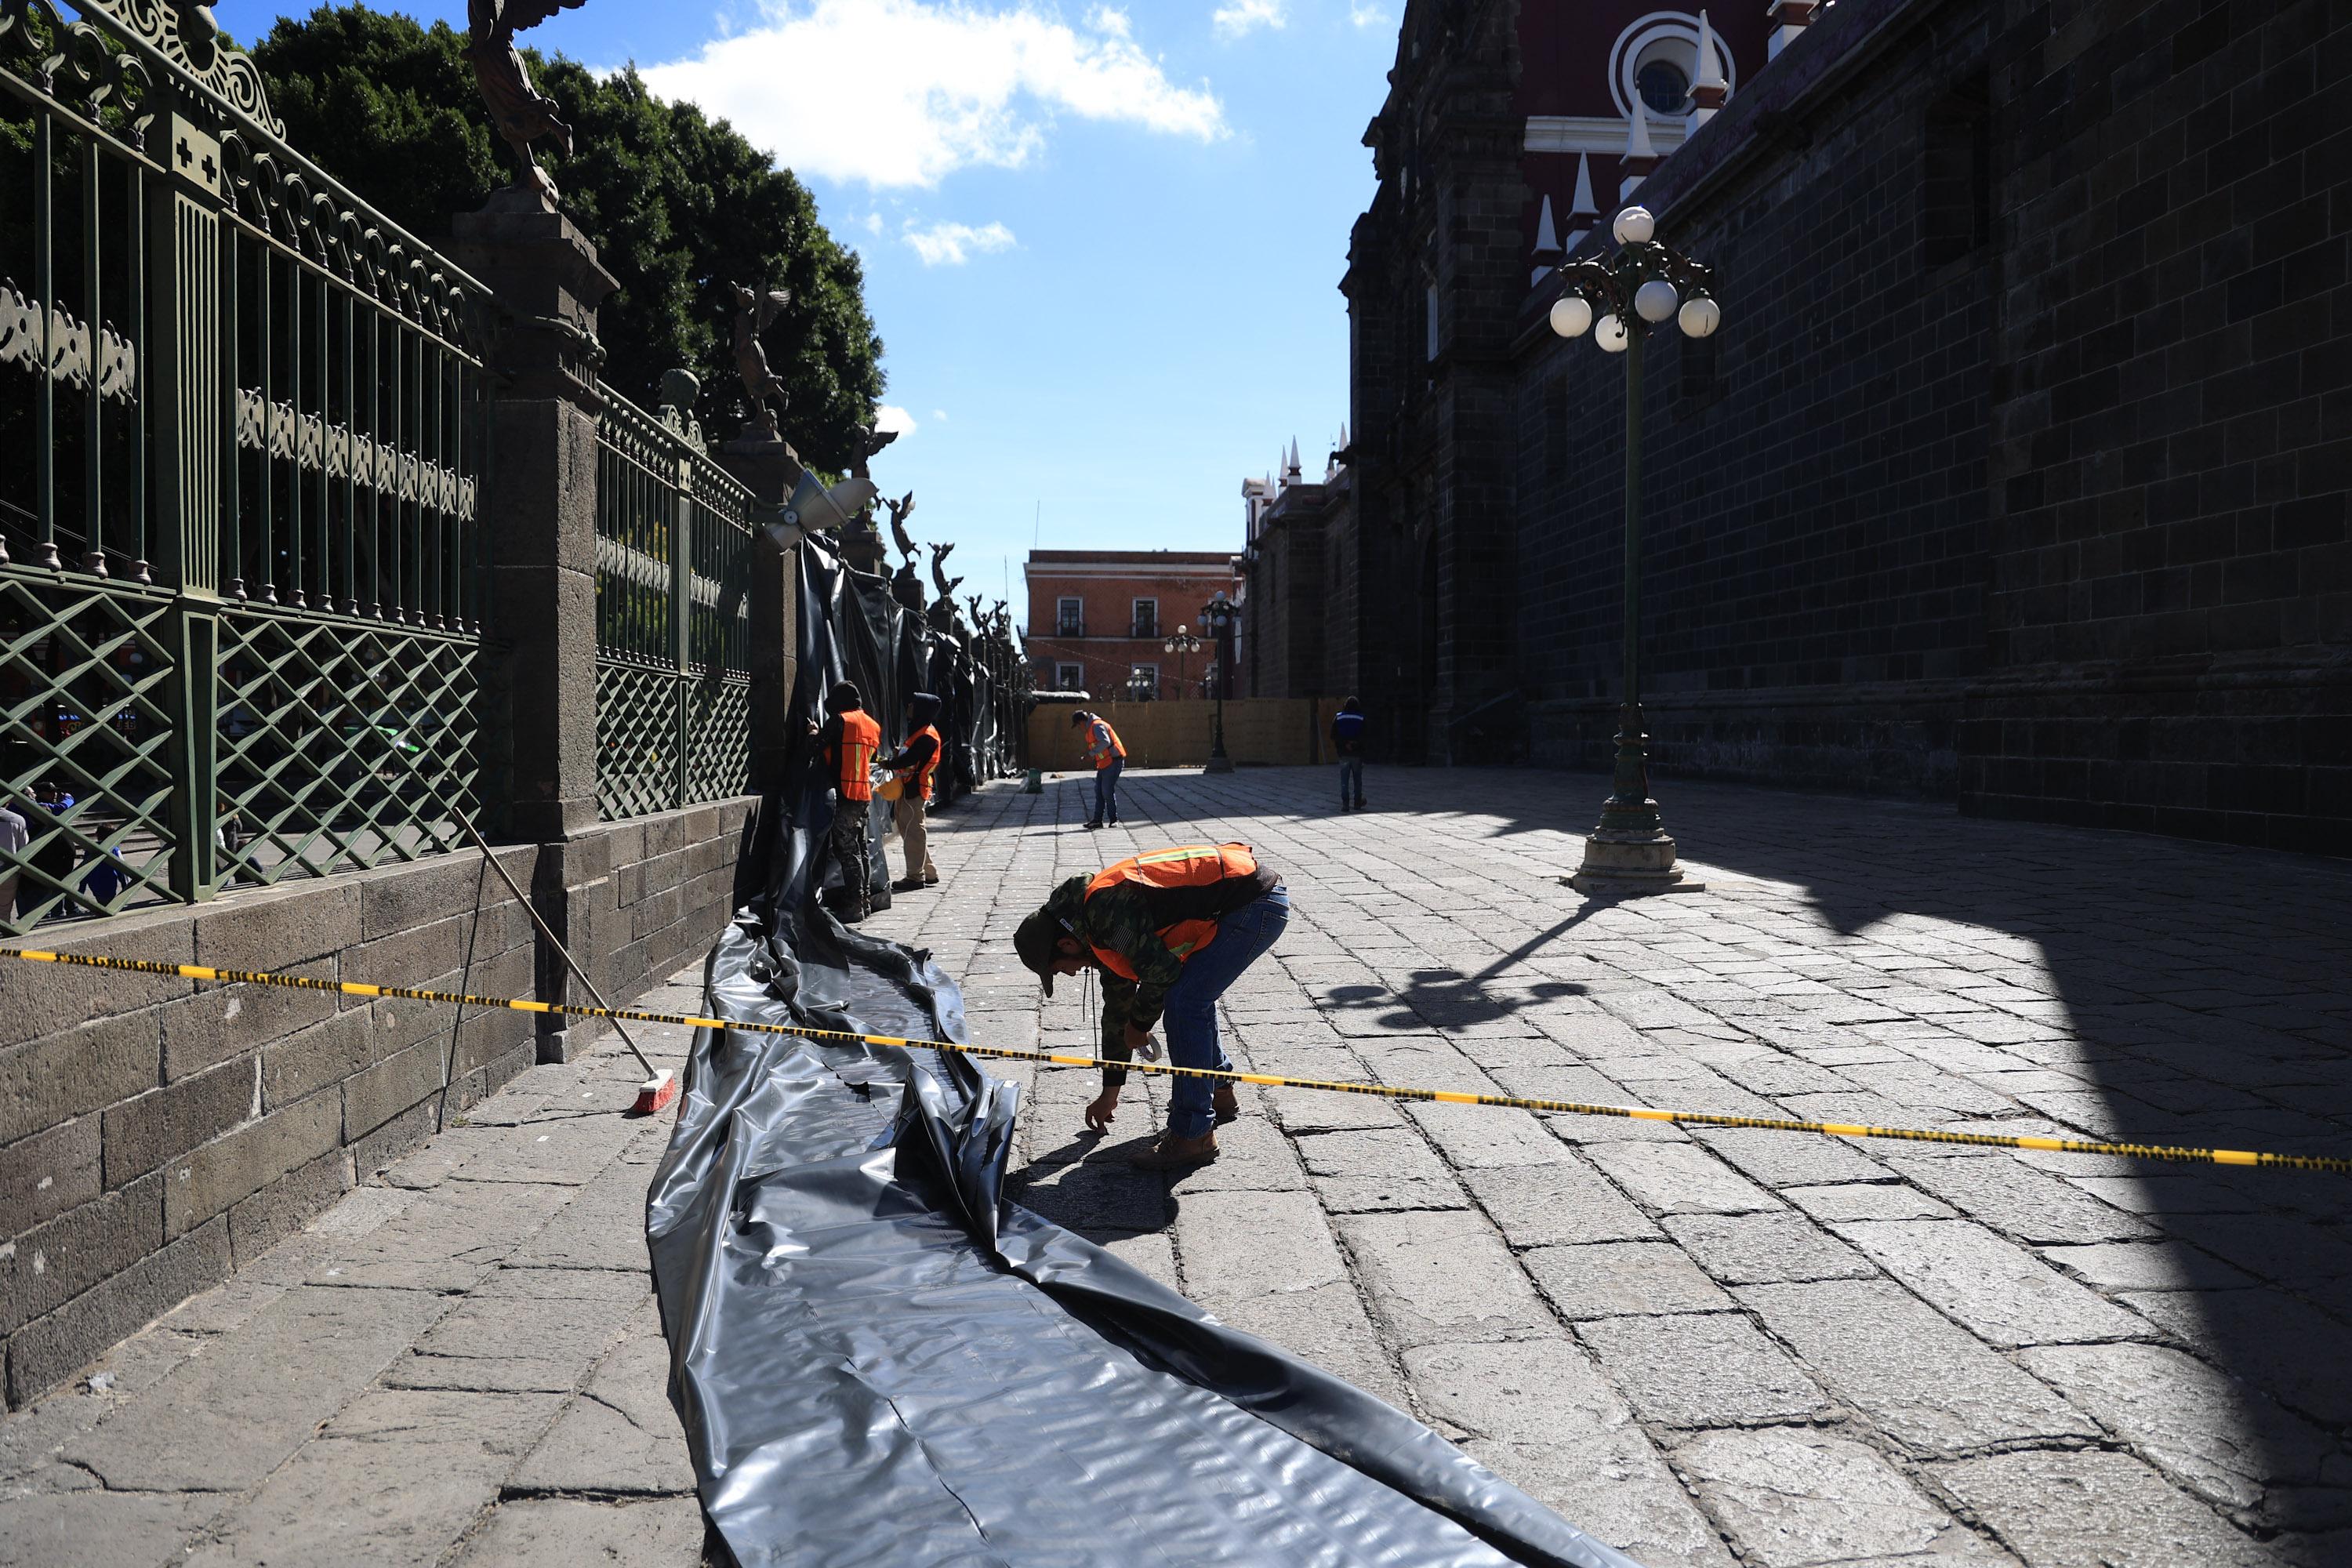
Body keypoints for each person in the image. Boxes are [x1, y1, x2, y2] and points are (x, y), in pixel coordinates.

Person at [1014, 842, 1288, 1169]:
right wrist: (1109, 1093)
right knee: (1192, 996)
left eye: (1062, 967)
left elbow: (1161, 973)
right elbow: (1118, 1008)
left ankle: (1193, 1135)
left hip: (1253, 904)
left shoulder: (1104, 916)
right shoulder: (1093, 921)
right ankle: (1218, 1090)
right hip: (1248, 897)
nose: (1073, 973)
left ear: (1067, 943)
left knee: (1185, 1002)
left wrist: (1140, 1026)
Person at [811, 681, 880, 922]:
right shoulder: (872, 725)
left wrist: (812, 733)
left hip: (845, 793)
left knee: (847, 850)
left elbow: (816, 747)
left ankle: (854, 905)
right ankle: (865, 900)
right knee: (860, 849)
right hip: (863, 794)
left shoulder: (841, 721)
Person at [880, 691, 942, 892]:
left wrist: (887, 763)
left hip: (914, 788)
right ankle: (929, 872)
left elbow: (910, 760)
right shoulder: (921, 731)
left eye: (912, 704)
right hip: (911, 787)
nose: (908, 708)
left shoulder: (926, 736)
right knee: (911, 830)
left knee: (914, 831)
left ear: (921, 709)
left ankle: (915, 877)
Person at [1073, 708, 1125, 829]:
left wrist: (1091, 754)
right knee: (1099, 791)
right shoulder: (1092, 728)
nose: (1080, 729)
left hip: (1114, 761)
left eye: (1078, 726)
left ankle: (1114, 820)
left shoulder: (1097, 726)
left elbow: (1105, 742)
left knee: (1106, 790)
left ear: (1081, 722)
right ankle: (1097, 820)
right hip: (1104, 763)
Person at [1332, 696, 1367, 812]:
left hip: (1343, 753)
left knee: (1344, 781)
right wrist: (1355, 745)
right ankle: (1357, 803)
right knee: (1357, 780)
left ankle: (1345, 804)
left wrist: (1345, 743)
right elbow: (1365, 736)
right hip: (1357, 754)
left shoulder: (1339, 717)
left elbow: (1334, 735)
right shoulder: (1361, 718)